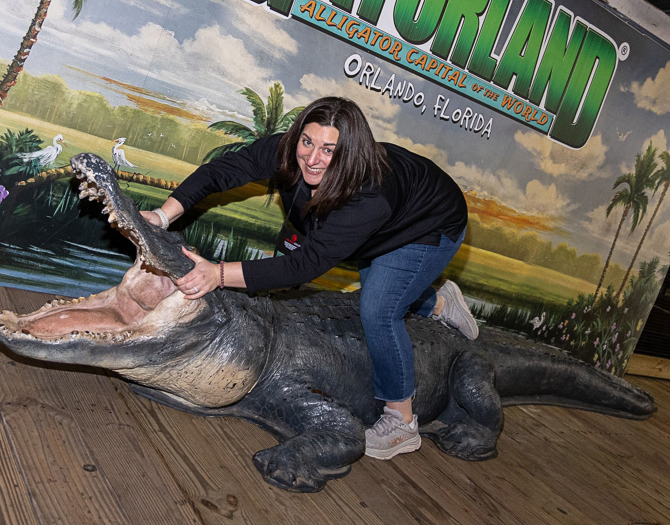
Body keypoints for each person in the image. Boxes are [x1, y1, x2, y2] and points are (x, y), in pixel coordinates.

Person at [140, 97, 478, 460]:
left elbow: (306, 264)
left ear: (349, 153)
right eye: (308, 142)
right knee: (379, 284)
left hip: (429, 224)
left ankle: (402, 422)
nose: (312, 158)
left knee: (379, 309)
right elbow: (222, 170)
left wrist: (218, 274)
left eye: (329, 150)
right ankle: (438, 303)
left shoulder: (370, 197)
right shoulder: (288, 150)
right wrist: (163, 215)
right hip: (388, 217)